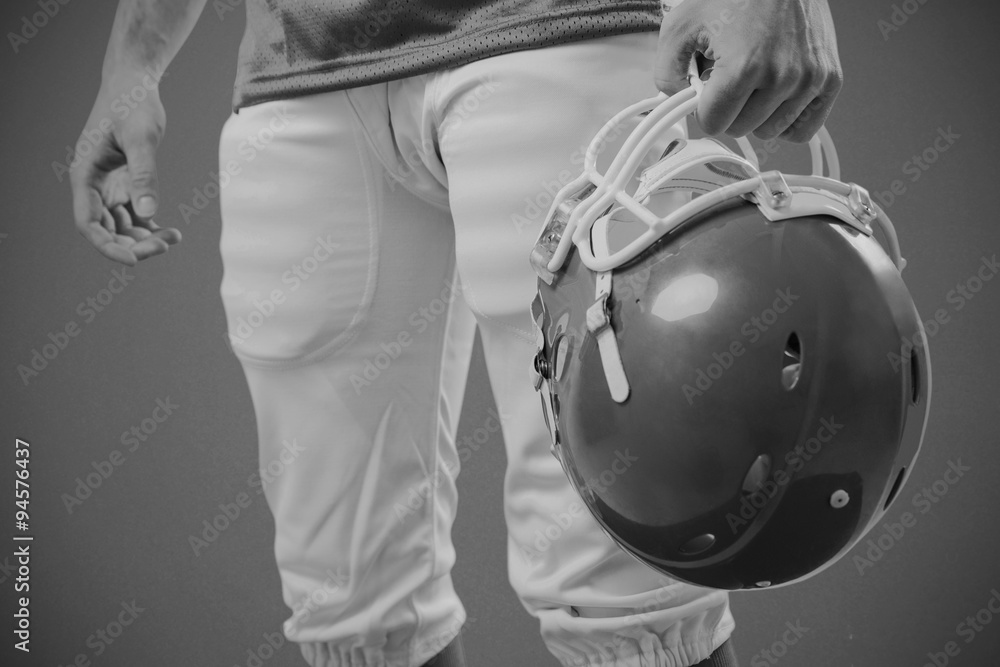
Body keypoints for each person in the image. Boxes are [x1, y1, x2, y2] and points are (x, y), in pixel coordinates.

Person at [68, 1, 843, 665]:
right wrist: (132, 63)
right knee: (349, 606)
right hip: (294, 70)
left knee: (631, 588)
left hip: (558, 27)